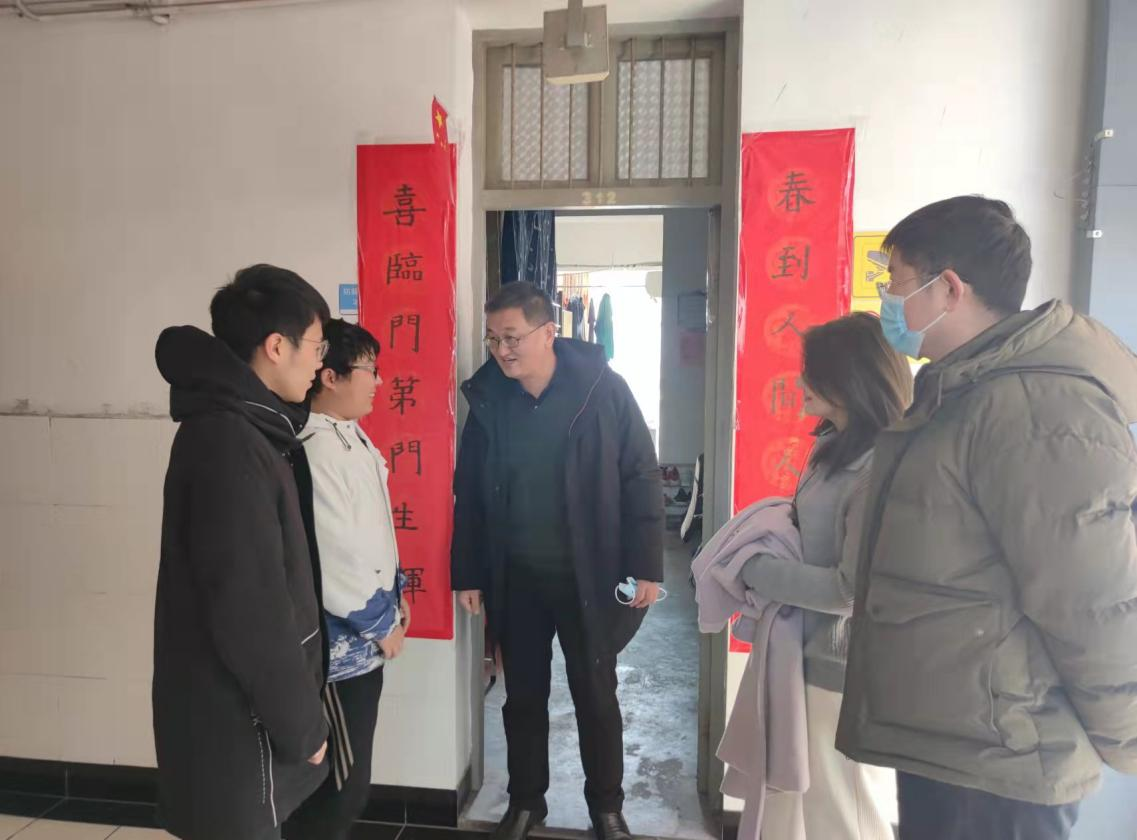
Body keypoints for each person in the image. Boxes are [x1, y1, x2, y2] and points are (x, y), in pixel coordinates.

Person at [836, 196, 1137, 840]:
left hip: (1004, 761)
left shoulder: (1035, 408)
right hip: (962, 742)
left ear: (949, 289)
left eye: (896, 283)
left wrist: (1127, 734)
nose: (888, 301)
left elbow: (1091, 597)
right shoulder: (962, 391)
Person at [451, 281, 664, 840]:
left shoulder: (602, 389)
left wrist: (646, 565)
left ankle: (606, 807)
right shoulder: (491, 398)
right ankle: (527, 801)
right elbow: (468, 490)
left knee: (595, 692)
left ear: (549, 332)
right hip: (517, 577)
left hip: (588, 575)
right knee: (523, 695)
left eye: (512, 337)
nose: (502, 350)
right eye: (493, 338)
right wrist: (468, 572)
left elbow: (640, 473)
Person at [153, 264, 331, 840]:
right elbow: (249, 607)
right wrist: (302, 726)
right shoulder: (229, 442)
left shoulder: (250, 430)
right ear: (277, 347)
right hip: (232, 724)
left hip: (244, 717)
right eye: (316, 346)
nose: (320, 364)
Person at [743, 313, 910, 839]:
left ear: (849, 379)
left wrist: (756, 570)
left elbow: (848, 590)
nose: (800, 382)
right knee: (792, 809)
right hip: (801, 653)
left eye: (812, 371)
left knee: (842, 816)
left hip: (841, 670)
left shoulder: (878, 466)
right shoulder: (832, 445)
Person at [283, 319, 409, 840]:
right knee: (339, 788)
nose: (378, 381)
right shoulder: (314, 448)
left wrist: (397, 598)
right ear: (330, 376)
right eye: (368, 370)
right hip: (340, 652)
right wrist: (381, 624)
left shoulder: (349, 435)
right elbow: (335, 558)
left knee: (347, 783)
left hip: (365, 642)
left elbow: (371, 536)